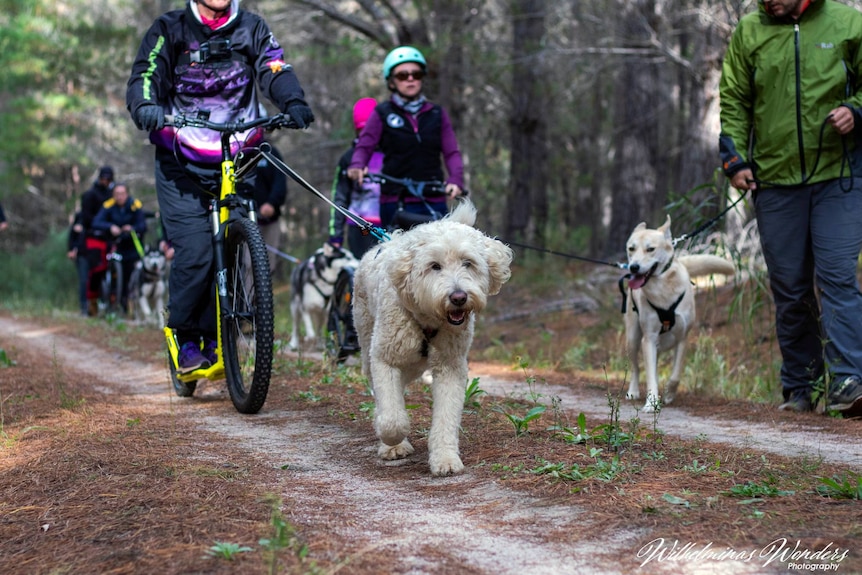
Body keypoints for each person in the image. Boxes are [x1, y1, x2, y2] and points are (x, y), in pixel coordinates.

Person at [126, 0, 314, 373]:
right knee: (196, 253)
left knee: (230, 251)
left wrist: (292, 100)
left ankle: (219, 333)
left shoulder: (252, 27)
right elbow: (146, 74)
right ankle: (184, 334)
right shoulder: (170, 29)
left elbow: (274, 67)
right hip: (182, 159)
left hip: (238, 153)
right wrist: (144, 104)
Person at [719, 0, 862, 416]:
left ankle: (849, 382)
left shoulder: (849, 23)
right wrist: (735, 161)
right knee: (790, 286)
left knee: (837, 276)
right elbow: (734, 100)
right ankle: (801, 385)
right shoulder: (750, 31)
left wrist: (855, 110)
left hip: (840, 175)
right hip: (775, 180)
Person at [347, 46, 464, 230]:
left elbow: (451, 152)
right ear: (392, 82)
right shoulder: (382, 113)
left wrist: (456, 179)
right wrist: (357, 165)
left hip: (432, 198)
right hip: (395, 200)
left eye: (416, 74)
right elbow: (365, 144)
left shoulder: (436, 113)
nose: (410, 79)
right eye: (402, 75)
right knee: (395, 255)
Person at [328, 97, 383, 258]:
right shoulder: (349, 158)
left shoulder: (392, 154)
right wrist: (335, 235)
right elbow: (339, 198)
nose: (366, 135)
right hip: (360, 228)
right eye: (361, 130)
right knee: (362, 270)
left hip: (390, 223)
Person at [92, 183, 148, 314]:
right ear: (113, 195)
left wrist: (132, 228)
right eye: (117, 194)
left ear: (127, 194)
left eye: (122, 194)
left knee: (133, 275)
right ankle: (111, 302)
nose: (120, 197)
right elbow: (96, 222)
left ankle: (131, 305)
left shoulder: (135, 205)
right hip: (116, 246)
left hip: (132, 247)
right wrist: (110, 227)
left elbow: (143, 225)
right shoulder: (108, 206)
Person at [79, 166, 115, 316]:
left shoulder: (113, 196)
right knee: (90, 275)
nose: (105, 181)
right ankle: (87, 305)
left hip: (108, 240)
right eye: (103, 178)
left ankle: (112, 304)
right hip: (91, 242)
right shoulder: (89, 195)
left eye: (108, 178)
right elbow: (86, 219)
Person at [252, 137, 288, 272]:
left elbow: (280, 182)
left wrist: (272, 203)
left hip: (269, 222)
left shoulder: (271, 153)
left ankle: (264, 293)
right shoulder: (238, 152)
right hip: (244, 219)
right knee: (248, 263)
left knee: (267, 264)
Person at [66, 210, 89, 316]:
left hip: (98, 251)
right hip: (82, 254)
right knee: (84, 280)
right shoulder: (81, 216)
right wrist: (71, 249)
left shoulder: (105, 212)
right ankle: (84, 307)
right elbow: (72, 234)